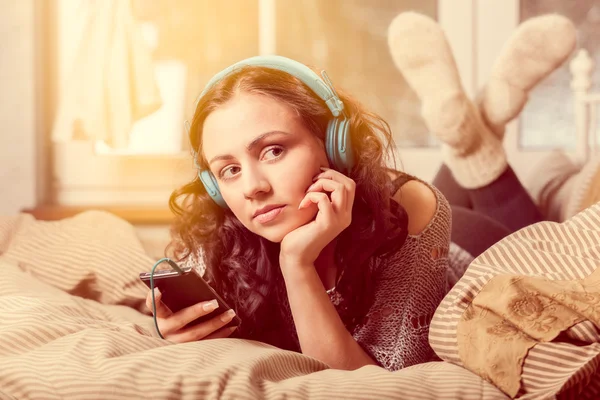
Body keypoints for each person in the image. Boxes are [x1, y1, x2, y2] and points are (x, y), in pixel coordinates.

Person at [144, 12, 580, 372]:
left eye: (274, 150)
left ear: (334, 144)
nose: (253, 188)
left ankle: (474, 138)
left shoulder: (413, 209)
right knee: (467, 161)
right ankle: (476, 127)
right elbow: (171, 305)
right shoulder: (219, 231)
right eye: (230, 170)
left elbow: (369, 381)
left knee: (537, 246)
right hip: (407, 213)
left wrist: (298, 264)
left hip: (464, 245)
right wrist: (168, 324)